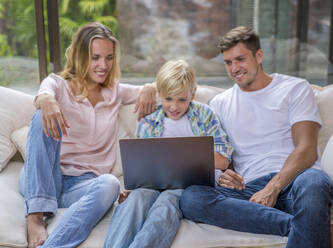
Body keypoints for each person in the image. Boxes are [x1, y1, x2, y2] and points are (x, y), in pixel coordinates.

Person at [180, 26, 333, 248]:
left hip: (296, 181)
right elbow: (223, 158)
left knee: (316, 182)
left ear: (258, 56)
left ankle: (309, 225)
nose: (234, 68)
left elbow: (307, 149)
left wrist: (272, 188)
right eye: (228, 62)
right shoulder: (219, 104)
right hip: (248, 190)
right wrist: (225, 174)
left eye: (240, 59)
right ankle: (306, 227)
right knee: (191, 198)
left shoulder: (294, 89)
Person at [18, 22, 156, 248]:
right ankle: (35, 217)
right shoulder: (58, 85)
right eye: (95, 57)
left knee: (110, 184)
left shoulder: (115, 92)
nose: (103, 65)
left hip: (83, 187)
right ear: (80, 56)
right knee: (40, 117)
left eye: (109, 58)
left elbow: (166, 92)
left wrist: (150, 86)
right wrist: (48, 101)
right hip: (46, 177)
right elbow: (44, 92)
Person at [103, 59, 233, 248]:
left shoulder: (205, 115)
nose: (174, 106)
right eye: (168, 99)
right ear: (159, 95)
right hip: (154, 184)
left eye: (182, 99)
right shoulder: (149, 122)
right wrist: (131, 189)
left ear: (193, 94)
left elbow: (223, 160)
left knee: (167, 202)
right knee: (137, 198)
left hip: (191, 186)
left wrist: (186, 156)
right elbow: (140, 168)